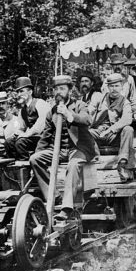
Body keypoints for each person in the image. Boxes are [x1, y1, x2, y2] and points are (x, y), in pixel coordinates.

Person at [29, 75, 98, 221]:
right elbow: (45, 138)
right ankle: (54, 197)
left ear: (70, 90)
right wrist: (37, 153)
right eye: (56, 89)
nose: (58, 92)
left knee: (73, 166)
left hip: (79, 149)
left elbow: (87, 120)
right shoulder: (51, 112)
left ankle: (67, 207)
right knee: (35, 159)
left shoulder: (80, 105)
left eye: (62, 88)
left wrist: (68, 114)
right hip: (59, 151)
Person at [90, 73, 136, 182]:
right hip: (99, 133)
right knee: (87, 132)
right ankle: (95, 161)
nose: (114, 89)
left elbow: (127, 119)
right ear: (107, 87)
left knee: (128, 129)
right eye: (111, 86)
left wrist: (111, 130)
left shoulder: (125, 102)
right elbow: (89, 114)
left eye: (116, 86)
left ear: (121, 87)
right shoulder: (99, 99)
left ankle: (122, 162)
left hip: (114, 136)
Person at [5, 76, 50, 160]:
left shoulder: (40, 103)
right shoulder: (22, 110)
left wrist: (26, 134)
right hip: (32, 138)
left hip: (44, 138)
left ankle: (26, 166)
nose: (19, 95)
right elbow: (21, 127)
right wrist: (15, 135)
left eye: (21, 91)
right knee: (9, 142)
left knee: (21, 142)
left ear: (30, 92)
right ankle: (14, 166)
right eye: (18, 92)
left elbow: (41, 124)